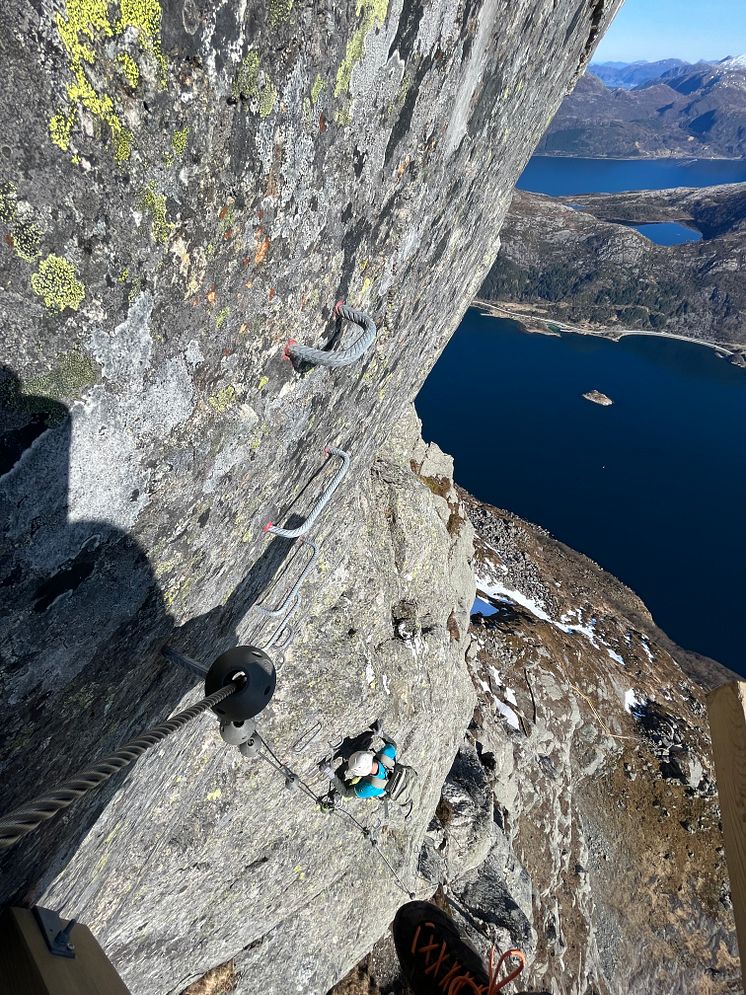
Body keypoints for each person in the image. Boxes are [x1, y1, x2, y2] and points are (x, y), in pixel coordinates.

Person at [320, 721, 398, 799]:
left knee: (349, 786)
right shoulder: (386, 755)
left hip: (380, 790)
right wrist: (381, 734)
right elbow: (392, 745)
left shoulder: (368, 788)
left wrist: (330, 773)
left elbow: (346, 792)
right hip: (387, 779)